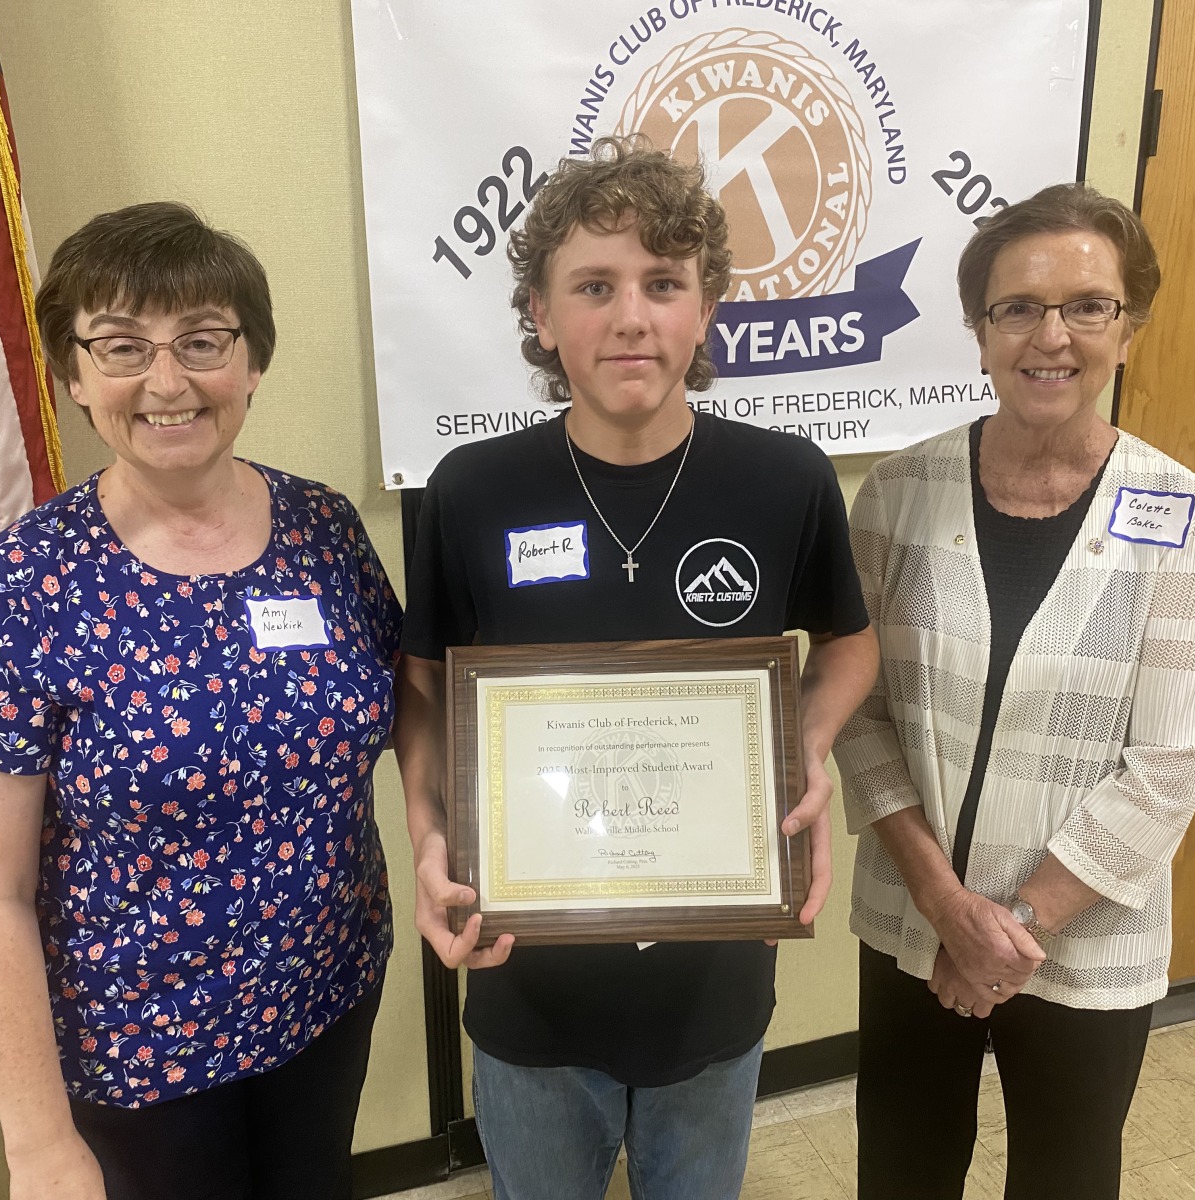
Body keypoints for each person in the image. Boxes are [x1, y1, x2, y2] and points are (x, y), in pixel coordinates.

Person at [395, 135, 877, 1199]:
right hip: (527, 974)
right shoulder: (472, 489)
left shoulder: (783, 479)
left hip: (714, 974)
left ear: (706, 311)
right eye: (593, 286)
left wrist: (801, 751)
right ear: (539, 312)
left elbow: (849, 642)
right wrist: (427, 835)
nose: (631, 317)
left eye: (664, 283)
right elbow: (421, 688)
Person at [0, 202, 401, 1200]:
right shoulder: (21, 587)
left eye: (202, 341)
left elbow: (407, 707)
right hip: (139, 1056)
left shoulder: (324, 527)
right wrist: (37, 1143)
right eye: (123, 346)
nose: (167, 382)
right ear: (75, 374)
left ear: (251, 363)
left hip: (329, 992)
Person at [835, 182, 1195, 1198]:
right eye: (1017, 308)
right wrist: (945, 906)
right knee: (902, 1170)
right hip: (913, 921)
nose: (1051, 336)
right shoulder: (897, 495)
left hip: (1085, 936)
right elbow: (856, 709)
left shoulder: (1183, 513)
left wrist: (1009, 929)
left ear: (1128, 330)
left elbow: (1169, 765)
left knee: (1065, 1177)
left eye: (1088, 306)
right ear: (978, 333)